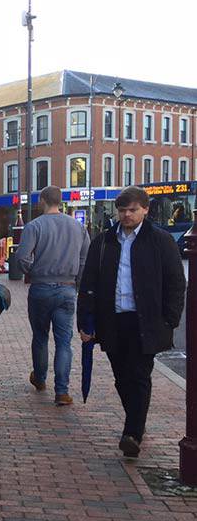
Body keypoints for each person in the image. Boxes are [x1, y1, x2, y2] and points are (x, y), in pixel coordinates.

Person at [78, 186, 185, 458]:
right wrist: (85, 321)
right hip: (112, 319)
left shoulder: (160, 240)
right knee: (121, 378)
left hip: (145, 321)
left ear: (145, 210)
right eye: (123, 210)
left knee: (139, 376)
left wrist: (170, 319)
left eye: (132, 210)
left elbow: (175, 282)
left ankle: (133, 432)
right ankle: (135, 421)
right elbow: (88, 282)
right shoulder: (103, 242)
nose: (126, 215)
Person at [14, 185, 90, 405]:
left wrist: (33, 270)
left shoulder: (34, 226)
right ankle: (62, 391)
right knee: (64, 342)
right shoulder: (78, 226)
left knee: (40, 337)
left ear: (42, 201)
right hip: (67, 288)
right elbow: (86, 258)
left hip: (41, 287)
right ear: (60, 201)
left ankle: (39, 378)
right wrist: (77, 282)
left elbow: (22, 257)